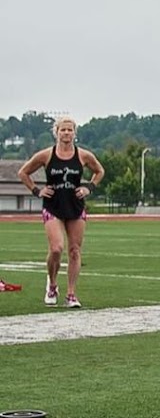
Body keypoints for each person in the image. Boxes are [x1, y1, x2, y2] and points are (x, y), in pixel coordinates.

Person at [17, 115, 104, 308]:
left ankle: (71, 294)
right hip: (53, 206)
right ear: (56, 132)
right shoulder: (46, 155)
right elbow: (23, 172)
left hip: (75, 207)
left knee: (74, 251)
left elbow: (100, 171)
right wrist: (36, 190)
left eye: (70, 129)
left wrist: (89, 187)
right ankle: (52, 284)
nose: (66, 133)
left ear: (75, 132)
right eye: (63, 130)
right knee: (56, 248)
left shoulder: (83, 155)